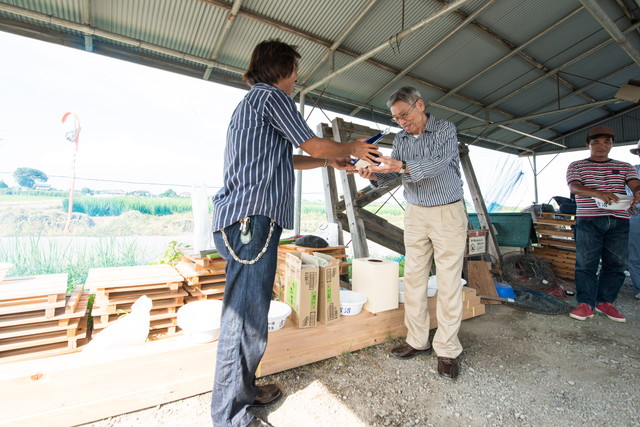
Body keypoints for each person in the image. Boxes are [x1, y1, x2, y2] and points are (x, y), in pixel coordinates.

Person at [210, 39, 380, 427]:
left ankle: (243, 389)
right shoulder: (271, 97)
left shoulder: (252, 104)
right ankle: (230, 417)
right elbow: (313, 143)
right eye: (294, 74)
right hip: (252, 222)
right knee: (243, 321)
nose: (295, 81)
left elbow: (287, 157)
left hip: (246, 221)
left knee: (252, 315)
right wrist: (353, 146)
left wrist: (329, 162)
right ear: (283, 69)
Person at [354, 86, 467, 380]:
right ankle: (417, 340)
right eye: (396, 118)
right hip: (416, 213)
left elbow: (439, 163)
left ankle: (447, 350)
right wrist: (374, 174)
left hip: (447, 211)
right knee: (414, 278)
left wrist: (402, 165)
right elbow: (395, 174)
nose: (402, 122)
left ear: (420, 105)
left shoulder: (445, 129)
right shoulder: (401, 139)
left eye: (405, 115)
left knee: (448, 281)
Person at [566, 126, 640, 322]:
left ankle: (605, 302)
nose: (602, 146)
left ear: (612, 144)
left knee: (616, 263)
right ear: (588, 145)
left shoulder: (625, 167)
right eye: (596, 142)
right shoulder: (577, 166)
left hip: (619, 220)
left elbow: (634, 184)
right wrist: (597, 193)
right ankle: (585, 304)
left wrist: (638, 192)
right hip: (588, 219)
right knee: (586, 263)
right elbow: (574, 187)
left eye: (607, 142)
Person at [627, 141, 640, 299]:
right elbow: (622, 193)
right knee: (635, 255)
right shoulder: (632, 171)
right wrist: (625, 206)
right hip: (636, 215)